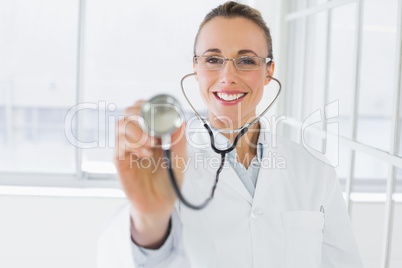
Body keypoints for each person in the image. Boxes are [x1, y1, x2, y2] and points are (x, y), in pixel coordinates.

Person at [97, 2, 364, 268]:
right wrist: (149, 222)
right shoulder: (163, 168)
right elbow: (130, 255)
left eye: (246, 60)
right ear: (196, 69)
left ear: (269, 71)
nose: (227, 76)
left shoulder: (315, 171)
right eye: (213, 59)